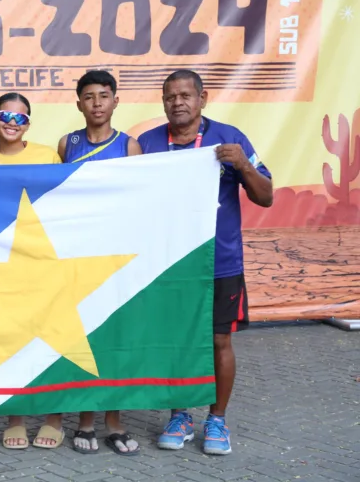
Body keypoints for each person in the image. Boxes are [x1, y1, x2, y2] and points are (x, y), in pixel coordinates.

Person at [138, 70, 273, 456]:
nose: (177, 102)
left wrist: (243, 165)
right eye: (170, 96)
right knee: (177, 342)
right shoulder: (147, 143)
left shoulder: (231, 139)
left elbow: (267, 197)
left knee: (218, 340)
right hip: (167, 265)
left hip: (220, 261)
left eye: (185, 95)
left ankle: (217, 419)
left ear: (203, 98)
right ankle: (180, 415)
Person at [54, 70, 141, 456]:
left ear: (115, 101)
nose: (97, 103)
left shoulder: (130, 146)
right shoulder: (66, 143)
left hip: (115, 256)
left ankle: (114, 421)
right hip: (75, 255)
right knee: (83, 338)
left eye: (104, 96)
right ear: (78, 104)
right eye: (88, 97)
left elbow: (139, 201)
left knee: (114, 338)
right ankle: (85, 421)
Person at [0, 92, 63, 450]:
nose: (12, 124)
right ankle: (16, 417)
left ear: (29, 123)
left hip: (44, 258)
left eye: (20, 118)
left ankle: (55, 418)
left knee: (52, 338)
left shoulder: (47, 155)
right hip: (2, 262)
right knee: (13, 340)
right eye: (5, 116)